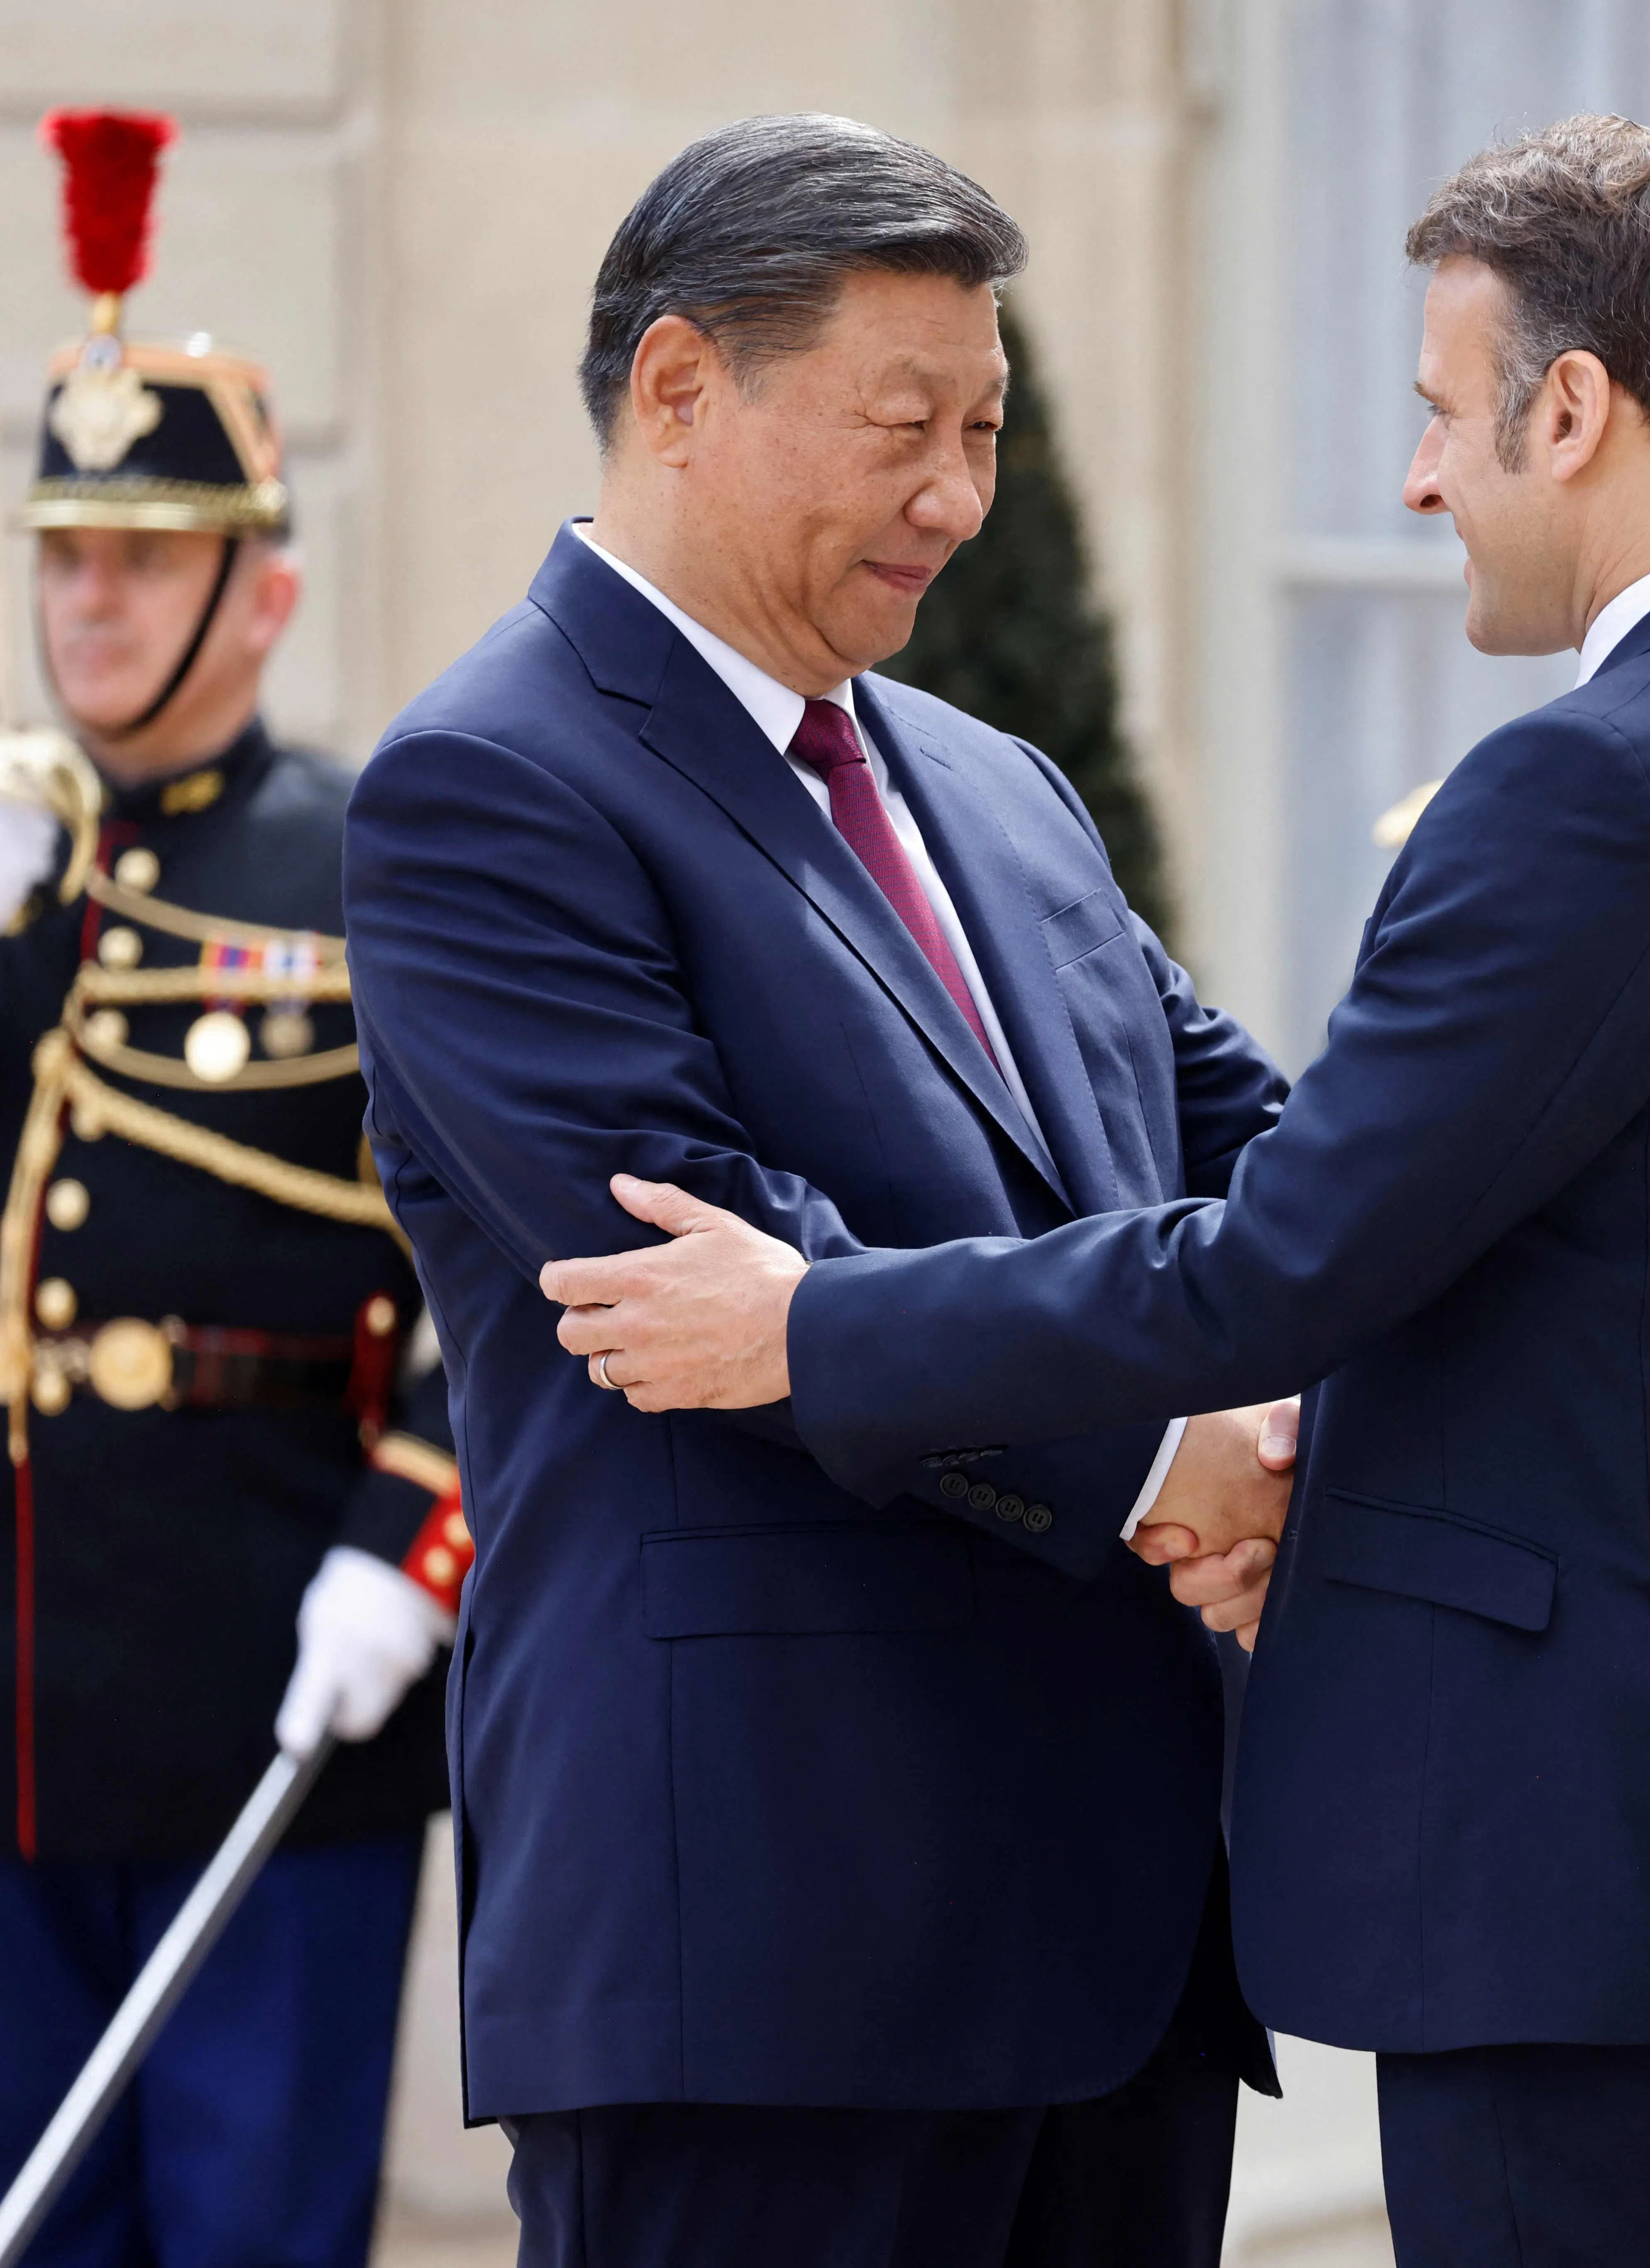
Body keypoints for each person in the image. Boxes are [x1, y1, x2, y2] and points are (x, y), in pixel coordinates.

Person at [538, 114, 1650, 2268]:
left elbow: (1290, 1254)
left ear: (1573, 409)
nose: (1426, 479)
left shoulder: (1595, 782)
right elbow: (1634, 1284)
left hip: (1601, 1885)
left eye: (1444, 413)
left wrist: (812, 1322)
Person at [338, 115, 1299, 2268]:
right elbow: (692, 1258)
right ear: (680, 388)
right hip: (768, 1946)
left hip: (1119, 1937)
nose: (959, 496)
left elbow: (1255, 1157)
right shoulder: (490, 783)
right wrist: (1177, 1456)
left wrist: (1319, 1410)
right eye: (907, 426)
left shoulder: (996, 785)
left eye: (987, 428)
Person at [0, 111, 467, 2268]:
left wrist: (414, 1552)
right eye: (64, 557)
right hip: (17, 1740)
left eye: (147, 557)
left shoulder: (379, 870)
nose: (92, 603)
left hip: (277, 1713)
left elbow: (528, 1269)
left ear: (260, 586)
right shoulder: (18, 882)